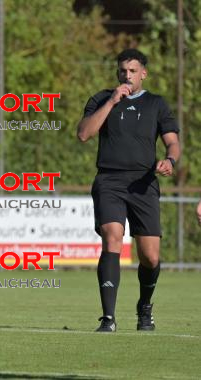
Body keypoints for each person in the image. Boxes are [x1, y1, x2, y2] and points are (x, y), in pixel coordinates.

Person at [77, 49, 181, 332]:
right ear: (117, 73)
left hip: (143, 184)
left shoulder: (156, 104)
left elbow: (173, 142)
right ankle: (108, 318)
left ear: (143, 73)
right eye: (123, 70)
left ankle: (144, 307)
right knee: (112, 237)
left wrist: (170, 160)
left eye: (133, 71)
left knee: (150, 257)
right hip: (109, 181)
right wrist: (112, 101)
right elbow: (84, 134)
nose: (127, 75)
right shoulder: (101, 99)